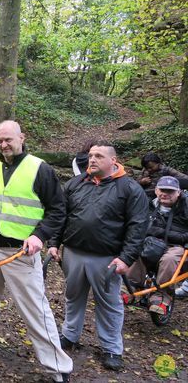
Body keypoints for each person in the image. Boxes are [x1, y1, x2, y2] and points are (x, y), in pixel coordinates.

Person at [0, 120, 73, 383]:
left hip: (20, 252)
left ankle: (58, 366)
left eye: (8, 139)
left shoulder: (40, 169)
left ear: (21, 137)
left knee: (35, 309)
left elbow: (58, 209)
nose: (4, 145)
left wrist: (39, 236)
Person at [48, 141, 148, 371]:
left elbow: (138, 226)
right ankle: (69, 336)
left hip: (107, 259)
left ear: (113, 160)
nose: (92, 160)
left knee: (109, 303)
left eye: (99, 156)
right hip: (73, 253)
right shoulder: (75, 183)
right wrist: (53, 243)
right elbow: (61, 215)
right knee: (73, 297)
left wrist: (126, 258)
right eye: (91, 156)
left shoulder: (129, 188)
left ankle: (112, 348)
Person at [126, 176, 188, 314]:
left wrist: (179, 237)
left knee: (169, 259)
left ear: (178, 192)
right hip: (151, 242)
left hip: (177, 246)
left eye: (170, 191)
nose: (165, 194)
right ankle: (131, 288)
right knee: (137, 250)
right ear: (156, 190)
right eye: (162, 190)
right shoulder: (147, 204)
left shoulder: (185, 206)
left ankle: (162, 297)